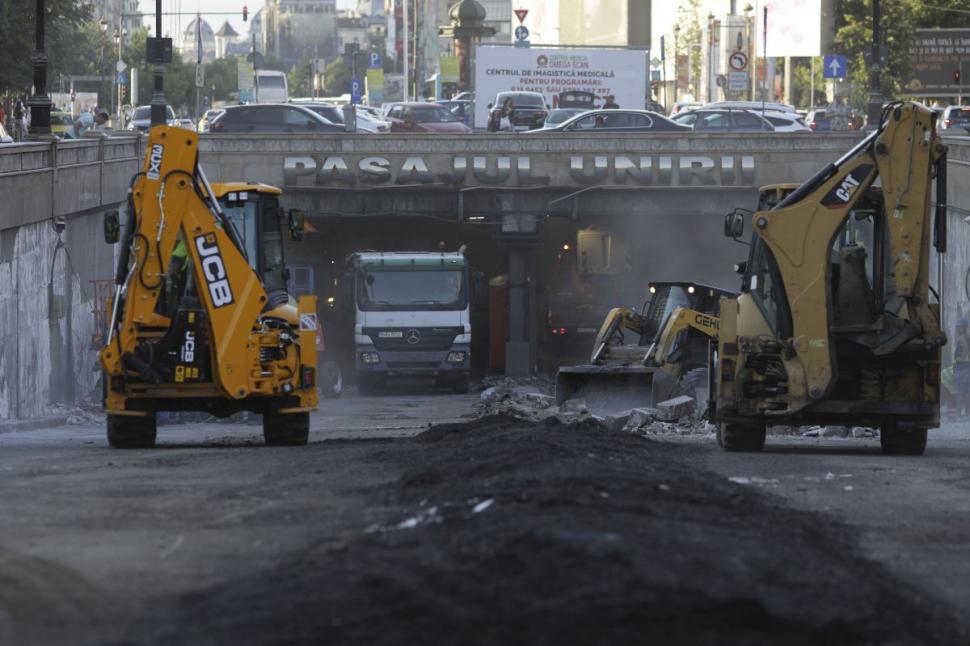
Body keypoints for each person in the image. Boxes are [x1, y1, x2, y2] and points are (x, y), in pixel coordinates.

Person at [953, 319, 970, 415]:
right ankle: (967, 412)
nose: (958, 329)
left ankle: (958, 413)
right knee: (967, 392)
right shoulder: (967, 338)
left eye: (959, 327)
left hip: (961, 367)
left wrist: (958, 359)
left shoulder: (961, 339)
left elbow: (959, 355)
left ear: (964, 328)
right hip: (967, 367)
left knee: (960, 392)